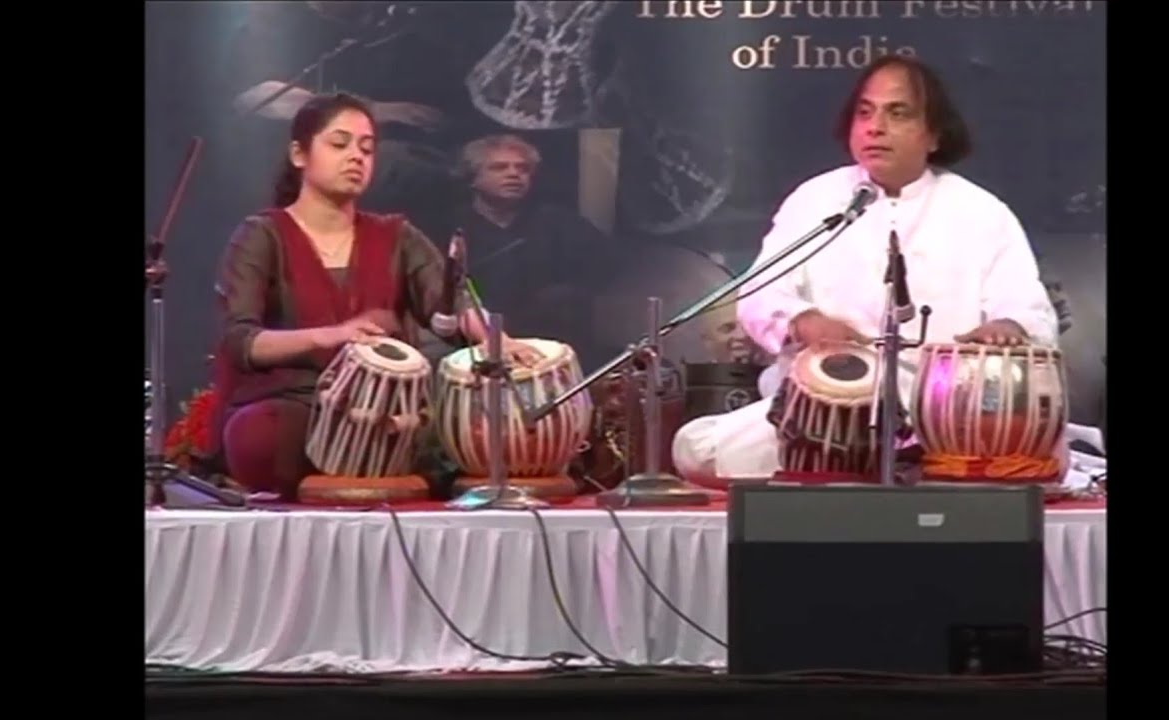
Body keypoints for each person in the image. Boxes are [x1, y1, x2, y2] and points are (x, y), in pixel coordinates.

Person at [670, 56, 1063, 484]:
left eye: (898, 113)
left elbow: (1026, 303)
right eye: (865, 112)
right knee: (695, 449)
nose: (875, 127)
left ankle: (885, 466)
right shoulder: (818, 200)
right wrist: (804, 321)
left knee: (1024, 455)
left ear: (933, 134)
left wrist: (1007, 325)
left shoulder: (982, 212)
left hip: (940, 413)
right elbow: (761, 292)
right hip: (820, 410)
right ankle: (861, 464)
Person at [210, 93, 541, 499]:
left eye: (366, 148)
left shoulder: (396, 235)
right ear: (299, 153)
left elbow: (451, 304)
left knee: (464, 434)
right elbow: (242, 342)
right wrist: (331, 335)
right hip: (298, 404)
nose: (356, 156)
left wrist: (499, 342)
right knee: (258, 437)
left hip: (389, 413)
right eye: (340, 144)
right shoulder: (261, 235)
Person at [450, 133, 618, 368]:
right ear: (472, 178)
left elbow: (604, 269)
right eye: (499, 167)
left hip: (556, 345)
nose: (514, 174)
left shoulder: (559, 222)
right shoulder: (452, 227)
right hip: (478, 348)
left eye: (523, 169)